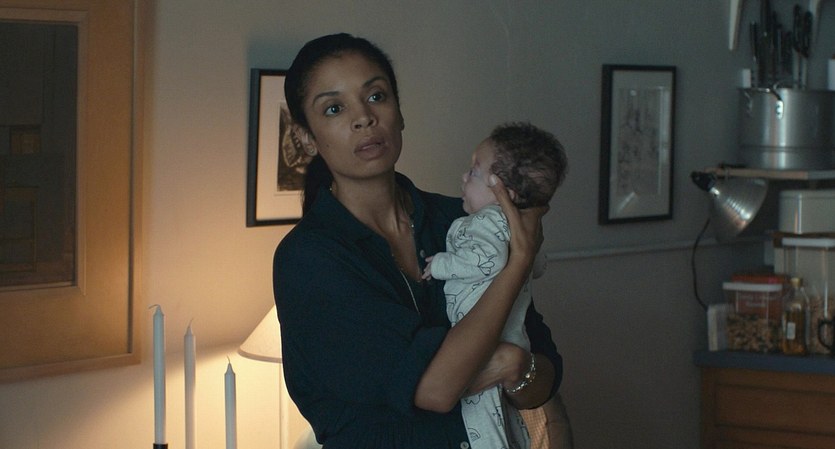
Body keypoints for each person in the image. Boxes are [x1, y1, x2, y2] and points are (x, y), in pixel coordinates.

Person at [272, 32, 563, 449]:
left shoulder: (461, 219)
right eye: (335, 108)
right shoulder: (309, 259)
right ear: (306, 138)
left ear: (399, 112)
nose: (364, 118)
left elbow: (546, 372)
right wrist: (517, 263)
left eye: (376, 96)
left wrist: (516, 366)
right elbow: (436, 390)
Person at [422, 123, 568, 449]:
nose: (464, 177)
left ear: (506, 192)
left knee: (483, 421)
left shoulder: (488, 220)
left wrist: (441, 264)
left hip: (486, 342)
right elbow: (538, 265)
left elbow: (486, 260)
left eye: (474, 172)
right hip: (508, 338)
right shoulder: (520, 230)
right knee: (501, 420)